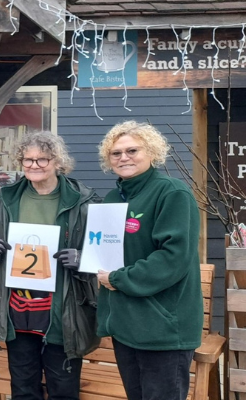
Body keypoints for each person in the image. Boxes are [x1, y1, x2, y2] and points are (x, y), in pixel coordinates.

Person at [0, 131, 100, 400]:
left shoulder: (83, 202)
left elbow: (101, 253)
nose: (34, 165)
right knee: (22, 388)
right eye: (28, 160)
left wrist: (82, 258)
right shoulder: (5, 201)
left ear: (57, 161)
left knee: (63, 388)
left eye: (42, 159)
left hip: (62, 309)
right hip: (17, 307)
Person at [95, 121, 201, 400]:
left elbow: (173, 258)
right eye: (115, 153)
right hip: (126, 325)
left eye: (132, 150)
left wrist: (118, 279)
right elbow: (106, 252)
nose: (123, 157)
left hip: (162, 327)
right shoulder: (112, 198)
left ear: (152, 153)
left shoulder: (172, 193)